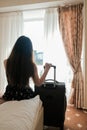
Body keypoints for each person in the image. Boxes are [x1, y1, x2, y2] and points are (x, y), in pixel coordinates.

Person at [2, 35, 52, 101]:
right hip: (25, 94)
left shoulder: (6, 62)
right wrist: (46, 69)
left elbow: (11, 79)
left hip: (10, 94)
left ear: (15, 48)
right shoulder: (32, 66)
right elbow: (38, 83)